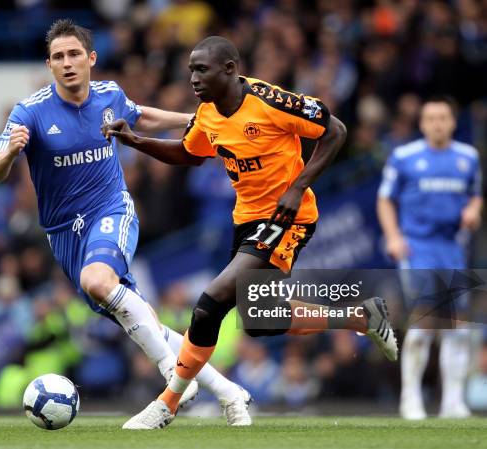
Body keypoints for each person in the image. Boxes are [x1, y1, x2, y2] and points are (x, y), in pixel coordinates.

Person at [103, 36, 399, 430]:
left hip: (288, 217)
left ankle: (167, 403)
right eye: (191, 69)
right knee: (261, 318)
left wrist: (297, 187)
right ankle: (362, 318)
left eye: (201, 69)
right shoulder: (208, 113)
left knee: (210, 303)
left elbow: (336, 131)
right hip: (247, 219)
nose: (193, 77)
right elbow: (190, 154)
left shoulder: (272, 102)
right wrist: (136, 141)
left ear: (230, 69)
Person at [0, 20, 251, 425]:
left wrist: (197, 118)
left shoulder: (110, 95)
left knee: (98, 281)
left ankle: (170, 378)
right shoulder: (31, 112)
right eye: (59, 57)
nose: (68, 63)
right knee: (145, 321)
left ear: (91, 59)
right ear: (49, 65)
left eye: (75, 54)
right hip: (65, 235)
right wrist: (8, 155)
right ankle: (231, 393)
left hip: (112, 211)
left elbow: (143, 117)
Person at [377, 97, 483, 420]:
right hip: (417, 246)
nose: (437, 123)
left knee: (456, 325)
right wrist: (394, 237)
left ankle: (452, 401)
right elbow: (385, 199)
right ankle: (411, 399)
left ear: (452, 122)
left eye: (443, 118)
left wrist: (474, 210)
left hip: (451, 247)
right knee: (426, 319)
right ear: (422, 124)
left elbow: (475, 194)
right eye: (431, 118)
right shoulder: (404, 157)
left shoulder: (468, 157)